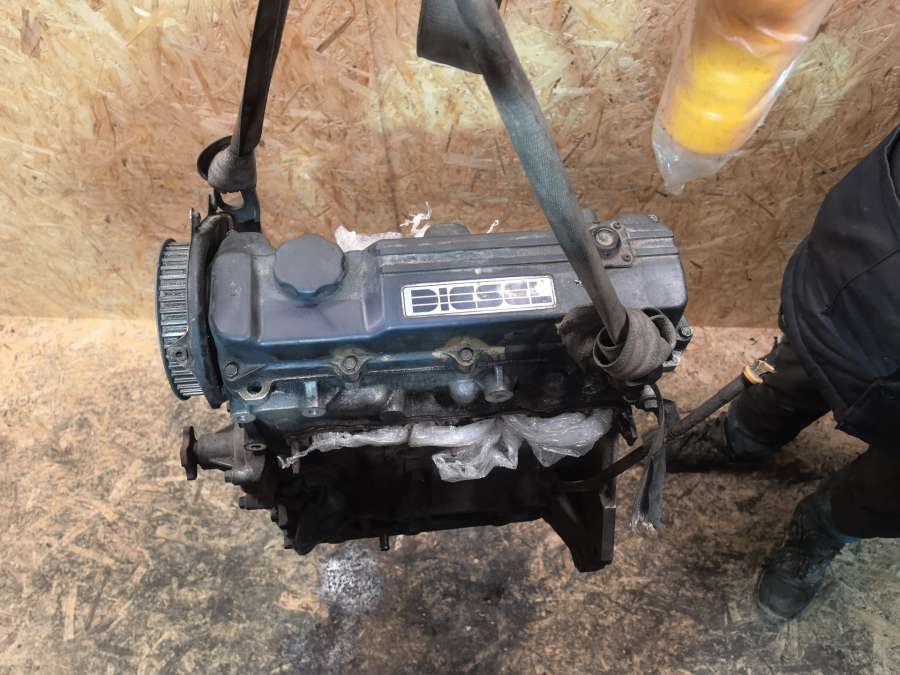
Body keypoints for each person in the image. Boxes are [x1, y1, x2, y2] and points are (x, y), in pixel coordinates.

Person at [667, 125, 900, 622]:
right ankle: (741, 439)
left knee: (889, 490)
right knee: (800, 365)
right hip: (870, 269)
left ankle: (822, 529)